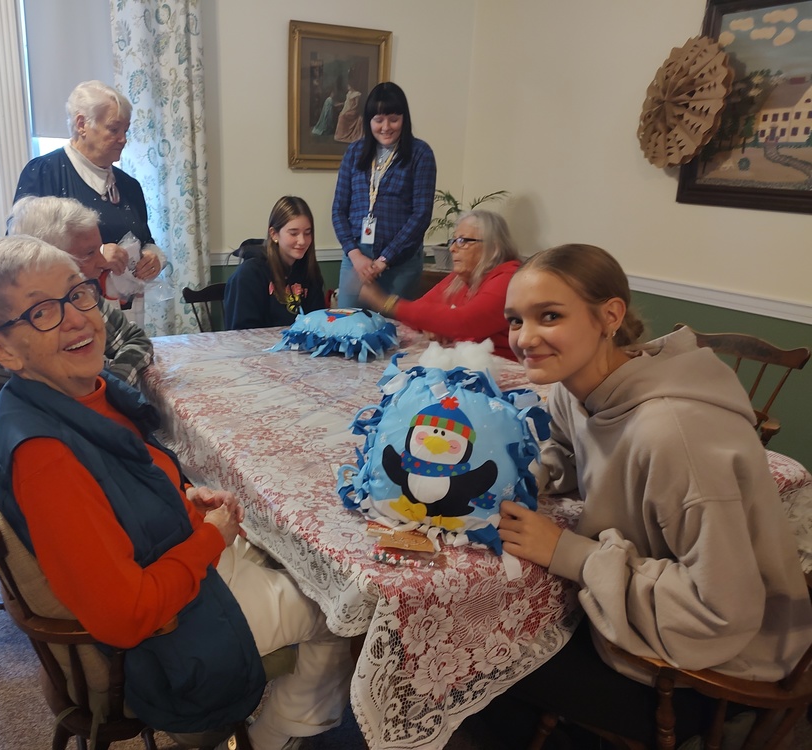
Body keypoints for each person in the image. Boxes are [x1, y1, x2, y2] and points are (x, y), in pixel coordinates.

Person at [0, 238, 354, 750]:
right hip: (163, 638)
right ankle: (273, 737)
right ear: (2, 349)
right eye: (42, 312)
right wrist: (209, 540)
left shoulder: (83, 395)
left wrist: (184, 503)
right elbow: (126, 616)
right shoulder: (46, 457)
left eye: (78, 293)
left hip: (170, 564)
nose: (77, 318)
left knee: (301, 555)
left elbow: (118, 501)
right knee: (339, 611)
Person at [478, 244, 812, 747]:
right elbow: (567, 451)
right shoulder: (575, 387)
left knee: (486, 659)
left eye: (549, 316)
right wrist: (522, 475)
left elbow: (722, 611)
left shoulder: (673, 433)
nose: (525, 338)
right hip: (647, 601)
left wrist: (568, 552)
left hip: (716, 664)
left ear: (610, 316)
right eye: (515, 320)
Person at [0, 196, 154, 442]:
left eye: (100, 249)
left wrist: (111, 385)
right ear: (43, 256)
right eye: (90, 253)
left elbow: (135, 339)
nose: (103, 262)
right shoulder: (7, 330)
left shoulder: (83, 297)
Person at [14, 79, 164, 301]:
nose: (123, 139)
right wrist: (96, 256)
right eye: (114, 129)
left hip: (127, 307)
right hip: (66, 307)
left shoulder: (130, 186)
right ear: (82, 124)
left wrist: (153, 257)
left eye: (126, 130)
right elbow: (24, 252)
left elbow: (145, 239)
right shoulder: (44, 172)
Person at [358, 209, 520, 359]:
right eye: (453, 241)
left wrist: (388, 303)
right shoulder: (460, 278)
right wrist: (432, 325)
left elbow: (464, 322)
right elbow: (419, 310)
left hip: (506, 369)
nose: (452, 248)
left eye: (462, 241)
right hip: (469, 363)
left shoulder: (509, 279)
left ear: (493, 247)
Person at [331, 82, 437, 308]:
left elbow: (421, 215)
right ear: (369, 121)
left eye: (393, 119)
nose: (386, 127)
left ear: (404, 119)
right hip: (357, 258)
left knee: (393, 327)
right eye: (378, 120)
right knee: (348, 322)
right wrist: (355, 255)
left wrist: (384, 260)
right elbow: (338, 209)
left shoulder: (420, 154)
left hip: (401, 261)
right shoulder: (355, 152)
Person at [224, 196, 326, 330]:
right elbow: (242, 333)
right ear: (274, 234)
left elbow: (318, 322)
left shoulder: (309, 270)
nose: (302, 241)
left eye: (307, 233)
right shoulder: (249, 274)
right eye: (293, 233)